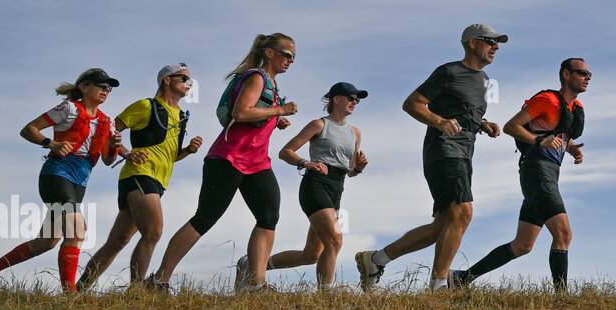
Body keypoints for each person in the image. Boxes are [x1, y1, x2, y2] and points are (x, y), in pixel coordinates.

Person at [355, 24, 505, 291]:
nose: (495, 46)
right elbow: (412, 103)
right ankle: (439, 286)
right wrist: (439, 121)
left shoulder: (483, 80)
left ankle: (375, 260)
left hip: (464, 153)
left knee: (443, 225)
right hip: (443, 150)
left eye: (498, 43)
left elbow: (462, 111)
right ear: (471, 42)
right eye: (490, 41)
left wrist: (483, 124)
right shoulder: (449, 72)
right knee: (463, 212)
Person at [151, 33, 297, 293]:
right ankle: (159, 280)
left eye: (293, 57)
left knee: (268, 216)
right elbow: (241, 112)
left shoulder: (272, 86)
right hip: (227, 158)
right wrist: (280, 111)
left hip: (257, 163)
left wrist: (276, 118)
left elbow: (254, 114)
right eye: (286, 54)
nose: (291, 60)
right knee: (205, 218)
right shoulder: (256, 77)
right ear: (270, 53)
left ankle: (255, 284)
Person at [455, 58, 589, 291]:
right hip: (536, 171)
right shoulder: (547, 100)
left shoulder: (575, 109)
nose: (587, 77)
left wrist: (570, 148)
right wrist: (539, 141)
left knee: (523, 245)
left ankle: (461, 278)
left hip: (549, 173)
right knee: (563, 233)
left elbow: (554, 134)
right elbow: (511, 126)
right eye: (582, 73)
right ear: (566, 75)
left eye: (589, 74)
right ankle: (562, 297)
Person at [0, 69, 125, 291]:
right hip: (56, 176)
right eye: (101, 85)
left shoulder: (107, 121)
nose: (106, 90)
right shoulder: (69, 108)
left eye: (109, 88)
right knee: (77, 230)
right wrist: (50, 144)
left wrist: (113, 146)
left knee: (47, 241)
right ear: (84, 87)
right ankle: (70, 294)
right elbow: (28, 129)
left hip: (78, 185)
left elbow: (107, 159)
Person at [77, 63, 204, 291]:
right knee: (153, 232)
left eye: (190, 81)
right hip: (138, 175)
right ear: (166, 80)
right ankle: (136, 290)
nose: (189, 84)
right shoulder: (146, 106)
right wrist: (126, 153)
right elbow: (108, 129)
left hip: (158, 181)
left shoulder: (181, 115)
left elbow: (170, 157)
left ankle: (78, 290)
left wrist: (188, 151)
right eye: (184, 78)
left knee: (117, 241)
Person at [243, 82, 368, 290]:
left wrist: (359, 167)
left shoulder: (355, 133)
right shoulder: (319, 125)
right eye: (351, 98)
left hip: (337, 189)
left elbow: (351, 170)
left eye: (357, 100)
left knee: (311, 254)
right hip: (315, 185)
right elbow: (286, 152)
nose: (355, 102)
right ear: (337, 99)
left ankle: (252, 266)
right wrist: (305, 162)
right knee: (335, 241)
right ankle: (326, 295)